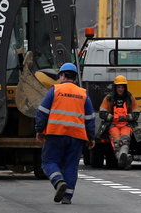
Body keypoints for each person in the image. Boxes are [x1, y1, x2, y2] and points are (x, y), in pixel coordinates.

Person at [35, 62, 96, 204]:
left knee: (49, 161)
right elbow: (90, 118)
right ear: (74, 77)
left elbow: (42, 112)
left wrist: (39, 130)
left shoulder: (55, 90)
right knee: (71, 165)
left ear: (62, 75)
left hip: (55, 133)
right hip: (77, 136)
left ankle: (58, 181)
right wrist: (91, 137)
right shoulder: (83, 94)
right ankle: (67, 196)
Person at [98, 75, 140, 169]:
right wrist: (111, 117)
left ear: (125, 88)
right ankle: (124, 159)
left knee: (125, 141)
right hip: (113, 125)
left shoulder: (130, 98)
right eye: (119, 87)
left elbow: (136, 113)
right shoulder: (109, 98)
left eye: (122, 87)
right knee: (116, 142)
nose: (120, 89)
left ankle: (123, 157)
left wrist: (126, 117)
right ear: (115, 87)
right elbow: (102, 112)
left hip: (126, 125)